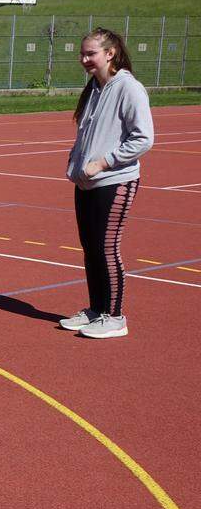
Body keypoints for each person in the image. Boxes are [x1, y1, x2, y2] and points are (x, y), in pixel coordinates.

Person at [61, 28, 153, 339]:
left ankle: (114, 316)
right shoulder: (95, 89)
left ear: (110, 53)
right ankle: (96, 309)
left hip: (115, 180)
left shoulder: (129, 88)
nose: (84, 59)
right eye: (82, 54)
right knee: (90, 249)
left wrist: (103, 162)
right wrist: (77, 164)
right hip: (87, 182)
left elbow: (143, 138)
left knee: (106, 247)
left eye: (91, 54)